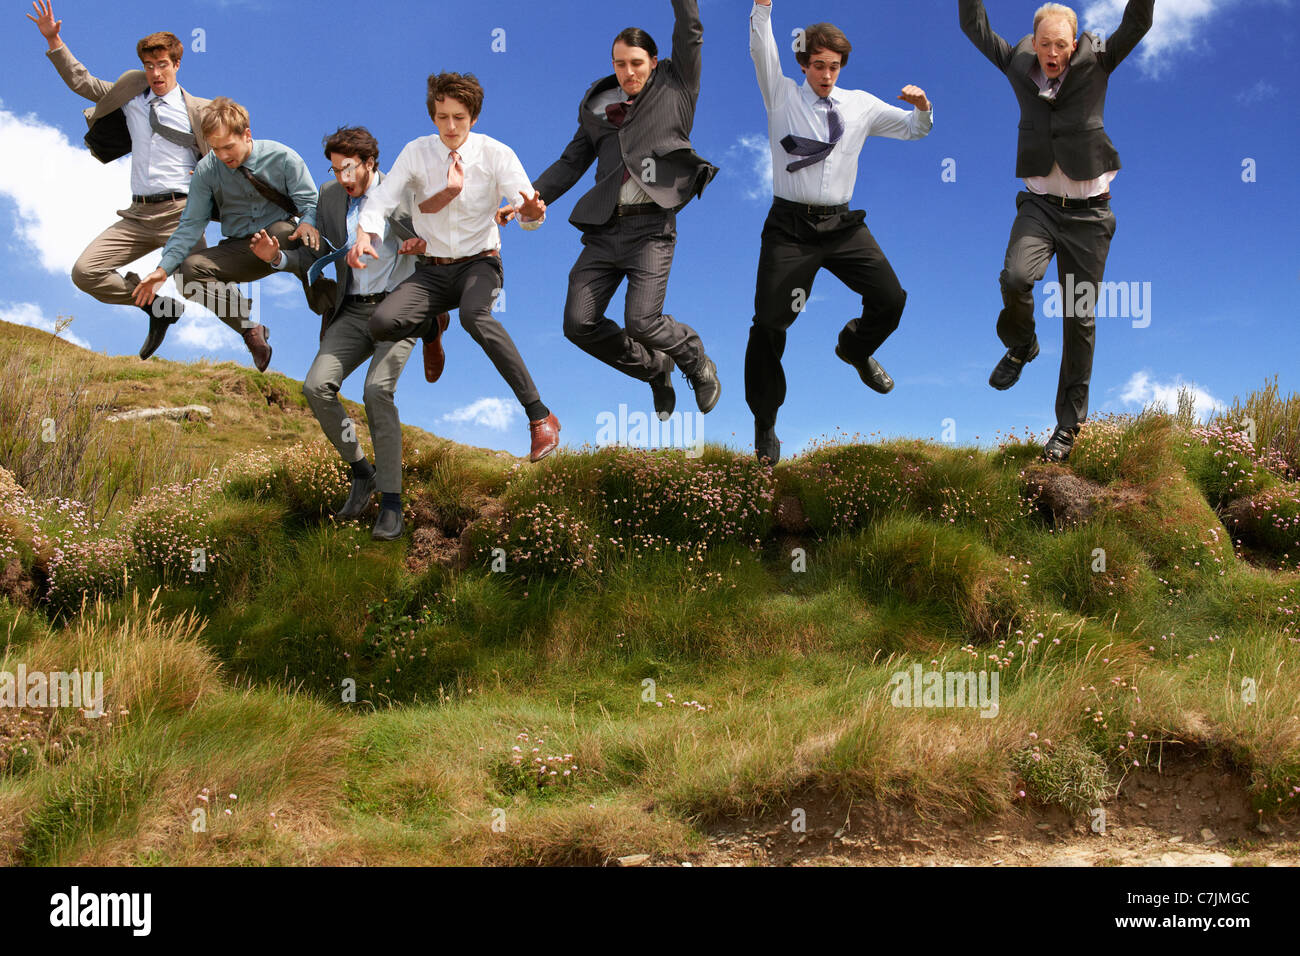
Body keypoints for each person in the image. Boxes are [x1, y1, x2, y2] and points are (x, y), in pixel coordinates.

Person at [960, 0, 1153, 462]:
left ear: (1075, 42)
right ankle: (1022, 344)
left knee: (1078, 319)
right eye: (1044, 43)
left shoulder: (1099, 59)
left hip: (1090, 217)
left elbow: (1138, 21)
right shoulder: (1016, 62)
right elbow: (974, 23)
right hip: (1040, 206)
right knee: (1015, 278)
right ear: (1034, 42)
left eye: (1061, 44)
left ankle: (1068, 428)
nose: (1052, 52)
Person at [745, 0, 933, 464]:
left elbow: (913, 130)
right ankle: (766, 425)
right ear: (803, 64)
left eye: (833, 66)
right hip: (790, 228)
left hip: (842, 226)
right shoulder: (781, 95)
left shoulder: (861, 105)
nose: (826, 74)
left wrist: (923, 109)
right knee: (769, 324)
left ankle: (855, 348)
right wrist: (762, 8)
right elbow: (760, 47)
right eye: (818, 65)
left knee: (891, 298)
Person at [352, 72, 561, 462]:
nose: (450, 126)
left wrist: (531, 213)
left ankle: (539, 416)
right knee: (381, 323)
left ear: (474, 118)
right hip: (432, 269)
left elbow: (528, 208)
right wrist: (366, 234)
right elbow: (381, 199)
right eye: (442, 116)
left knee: (474, 316)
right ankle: (433, 328)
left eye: (459, 118)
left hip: (480, 264)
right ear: (433, 115)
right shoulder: (417, 152)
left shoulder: (497, 154)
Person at [532, 0, 721, 421]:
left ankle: (695, 361)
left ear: (654, 62)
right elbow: (570, 162)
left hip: (652, 228)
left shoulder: (678, 85)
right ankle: (656, 370)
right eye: (620, 64)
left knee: (642, 321)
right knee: (577, 324)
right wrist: (532, 195)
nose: (628, 72)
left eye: (636, 63)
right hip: (604, 230)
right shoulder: (598, 106)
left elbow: (689, 28)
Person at [250, 127, 437, 540]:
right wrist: (277, 257)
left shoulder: (405, 192)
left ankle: (391, 504)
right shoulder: (330, 197)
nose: (342, 178)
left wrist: (421, 246)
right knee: (316, 387)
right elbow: (312, 254)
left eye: (349, 169)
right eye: (335, 170)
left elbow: (439, 244)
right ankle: (362, 471)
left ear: (371, 162)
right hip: (351, 311)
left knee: (376, 392)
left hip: (399, 308)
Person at [28, 1, 210, 359]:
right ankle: (157, 308)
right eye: (149, 66)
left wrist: (208, 174)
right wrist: (54, 42)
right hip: (139, 215)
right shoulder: (132, 98)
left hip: (182, 213)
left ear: (176, 64)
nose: (156, 73)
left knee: (201, 284)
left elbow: (229, 152)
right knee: (85, 272)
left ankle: (254, 330)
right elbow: (84, 82)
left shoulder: (199, 110)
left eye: (162, 65)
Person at [132, 97, 322, 372]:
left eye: (228, 147)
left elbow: (310, 202)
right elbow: (190, 224)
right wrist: (162, 270)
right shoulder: (206, 170)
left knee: (281, 231)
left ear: (247, 134)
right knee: (186, 272)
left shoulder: (283, 158)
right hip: (240, 249)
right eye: (215, 148)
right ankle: (250, 330)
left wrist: (307, 222)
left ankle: (323, 296)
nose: (223, 156)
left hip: (282, 238)